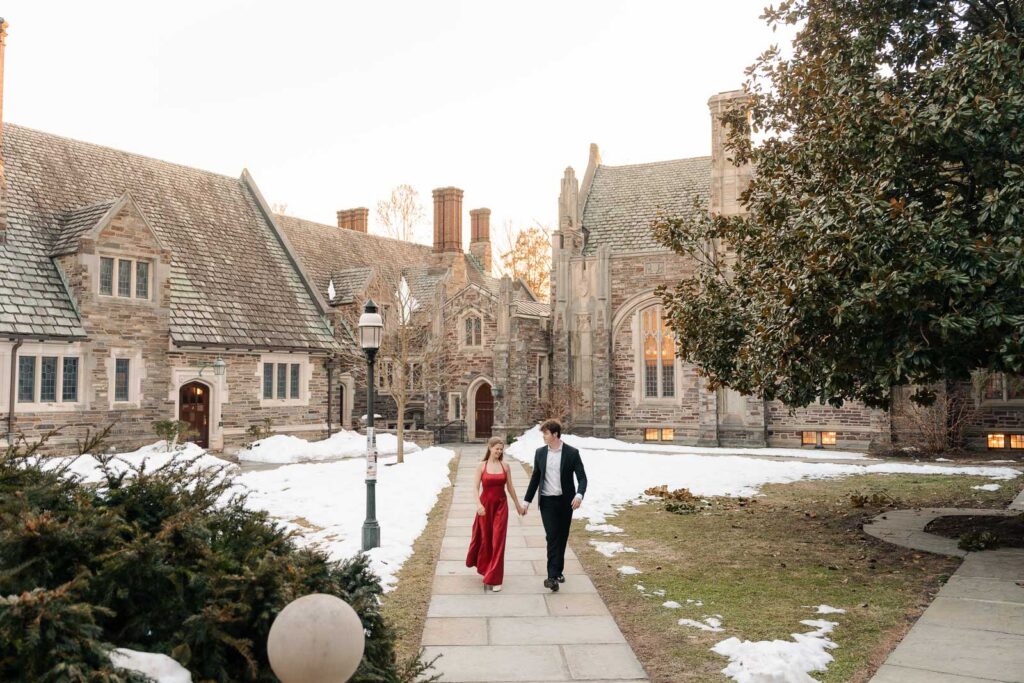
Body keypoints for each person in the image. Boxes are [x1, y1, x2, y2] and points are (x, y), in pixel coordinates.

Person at [522, 419, 587, 592]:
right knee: (552, 536)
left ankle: (558, 571)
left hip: (566, 502)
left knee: (562, 536)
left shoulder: (572, 453)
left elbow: (582, 478)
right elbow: (536, 478)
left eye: (546, 433)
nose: (543, 436)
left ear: (555, 434)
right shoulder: (540, 453)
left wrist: (579, 495)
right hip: (547, 501)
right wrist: (526, 501)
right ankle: (552, 577)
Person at [466, 436, 525, 592]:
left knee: (498, 540)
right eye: (496, 448)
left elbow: (510, 488)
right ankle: (487, 568)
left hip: (501, 506)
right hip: (485, 508)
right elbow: (474, 488)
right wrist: (478, 505)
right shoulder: (481, 466)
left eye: (501, 449)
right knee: (486, 539)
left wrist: (518, 505)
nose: (499, 451)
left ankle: (495, 578)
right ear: (490, 447)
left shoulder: (505, 466)